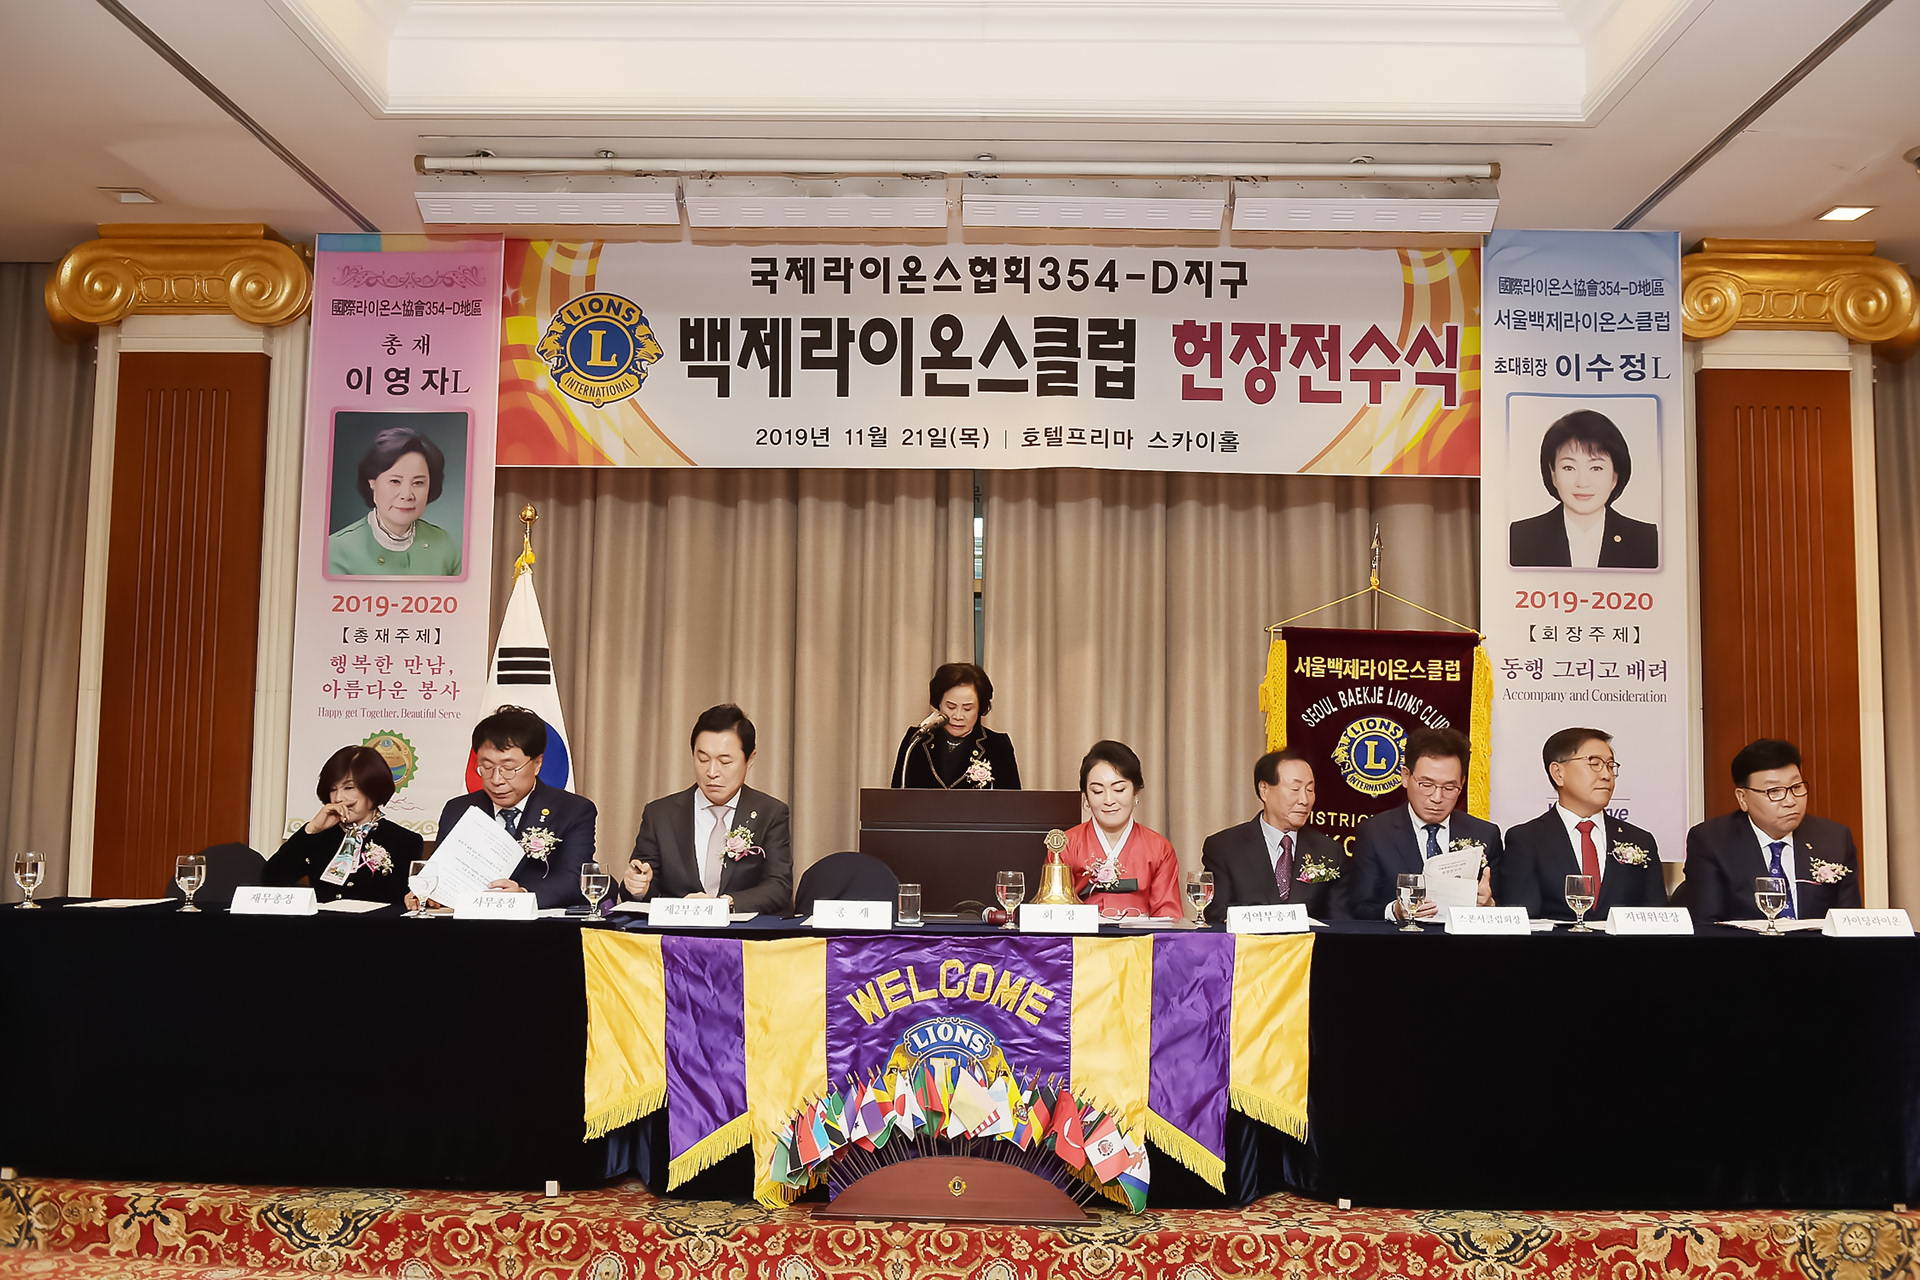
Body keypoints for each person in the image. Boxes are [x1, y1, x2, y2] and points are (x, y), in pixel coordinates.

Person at [623, 703, 794, 915]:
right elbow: (642, 883)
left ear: (749, 759)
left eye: (725, 761)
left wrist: (724, 905)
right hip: (676, 932)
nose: (712, 772)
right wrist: (638, 886)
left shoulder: (770, 813)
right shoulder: (660, 814)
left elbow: (778, 886)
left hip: (743, 932)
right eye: (703, 759)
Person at [424, 705, 597, 909]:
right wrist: (427, 891)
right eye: (487, 767)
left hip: (539, 923)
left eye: (508, 768)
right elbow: (441, 873)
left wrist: (523, 895)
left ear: (537, 764)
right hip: (469, 923)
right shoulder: (458, 809)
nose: (496, 780)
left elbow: (574, 878)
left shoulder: (572, 810)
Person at [1682, 738, 1862, 922]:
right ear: (1743, 798)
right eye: (1774, 791)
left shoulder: (1834, 839)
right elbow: (1707, 925)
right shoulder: (1711, 842)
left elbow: (1849, 922)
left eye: (1796, 787)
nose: (1790, 801)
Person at [1501, 728, 1665, 921]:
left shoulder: (1640, 840)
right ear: (1558, 773)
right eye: (1595, 764)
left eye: (1610, 766)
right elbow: (1523, 920)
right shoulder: (1527, 839)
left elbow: (1657, 919)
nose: (1606, 775)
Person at [1345, 727, 1504, 921]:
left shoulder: (1485, 834)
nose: (1437, 797)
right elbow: (1359, 907)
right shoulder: (1375, 833)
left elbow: (1508, 906)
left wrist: (1489, 905)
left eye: (1449, 787)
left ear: (1462, 783)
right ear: (1406, 776)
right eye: (1426, 785)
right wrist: (1395, 911)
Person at [1202, 748, 1348, 924]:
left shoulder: (1330, 851)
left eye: (1310, 790)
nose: (1304, 800)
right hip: (1248, 942)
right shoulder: (1224, 848)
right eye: (1295, 789)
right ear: (1264, 790)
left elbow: (1340, 923)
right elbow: (1218, 914)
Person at [265, 745, 421, 905]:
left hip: (375, 921)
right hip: (321, 921)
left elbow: (406, 901)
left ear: (374, 788)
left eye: (349, 787)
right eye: (333, 789)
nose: (338, 798)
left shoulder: (404, 841)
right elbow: (269, 881)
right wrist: (311, 829)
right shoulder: (318, 837)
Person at [1507, 409, 1659, 570]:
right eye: (1568, 467)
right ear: (1553, 474)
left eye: (1596, 468)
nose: (1582, 482)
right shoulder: (1520, 537)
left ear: (1615, 476)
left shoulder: (1647, 540)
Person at [1057, 740, 1181, 919]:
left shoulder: (1159, 848)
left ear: (1136, 791)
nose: (1109, 800)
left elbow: (1168, 916)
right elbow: (1054, 912)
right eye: (1097, 791)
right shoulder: (1066, 844)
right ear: (1086, 796)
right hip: (1082, 936)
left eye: (1119, 789)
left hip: (1142, 937)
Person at [327, 427, 462, 576]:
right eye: (395, 481)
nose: (407, 495)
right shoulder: (335, 550)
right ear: (372, 483)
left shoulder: (444, 543)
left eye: (418, 483)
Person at [889, 662, 1021, 789]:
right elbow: (896, 795)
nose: (958, 716)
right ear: (939, 704)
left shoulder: (997, 745)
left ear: (980, 708)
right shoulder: (917, 740)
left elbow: (1012, 800)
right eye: (951, 707)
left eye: (967, 709)